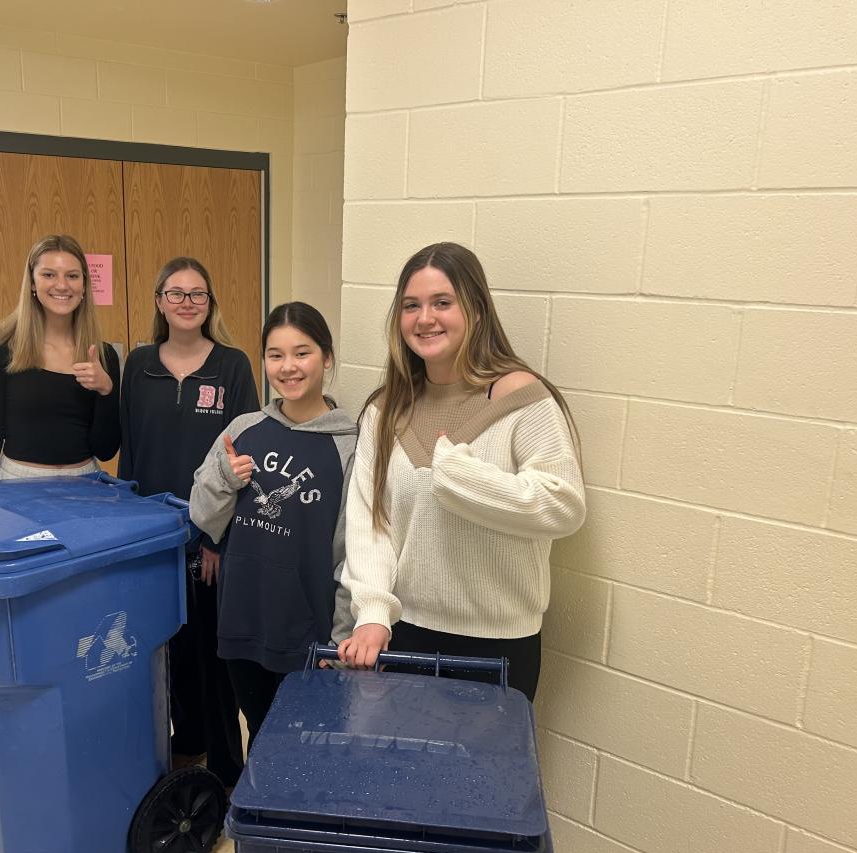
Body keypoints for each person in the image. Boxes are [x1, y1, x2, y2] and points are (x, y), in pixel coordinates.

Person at [336, 241, 586, 701]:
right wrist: (372, 612)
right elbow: (371, 522)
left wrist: (458, 477)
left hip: (499, 643)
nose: (424, 318)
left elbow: (563, 506)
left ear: (476, 309)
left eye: (442, 303)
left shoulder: (523, 398)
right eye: (411, 305)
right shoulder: (384, 410)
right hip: (402, 632)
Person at [118, 256, 259, 788]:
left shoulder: (232, 366)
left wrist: (220, 537)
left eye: (197, 293)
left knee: (213, 657)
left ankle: (226, 770)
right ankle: (187, 742)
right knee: (168, 649)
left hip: (209, 535)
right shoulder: (139, 365)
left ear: (209, 303)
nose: (186, 302)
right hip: (153, 535)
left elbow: (244, 456)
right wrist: (130, 530)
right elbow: (130, 453)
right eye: (175, 293)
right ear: (159, 302)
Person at [189, 302, 356, 750]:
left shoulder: (349, 446)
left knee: (305, 750)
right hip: (242, 622)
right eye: (275, 355)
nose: (288, 367)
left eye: (302, 353)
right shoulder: (243, 429)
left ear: (326, 358)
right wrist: (225, 479)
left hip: (308, 636)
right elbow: (203, 517)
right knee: (260, 740)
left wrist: (342, 637)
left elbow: (352, 554)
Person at [0, 234, 120, 481]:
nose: (62, 285)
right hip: (18, 484)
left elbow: (105, 450)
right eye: (49, 275)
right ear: (32, 283)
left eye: (72, 276)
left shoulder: (102, 356)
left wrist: (106, 391)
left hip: (85, 484)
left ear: (84, 285)